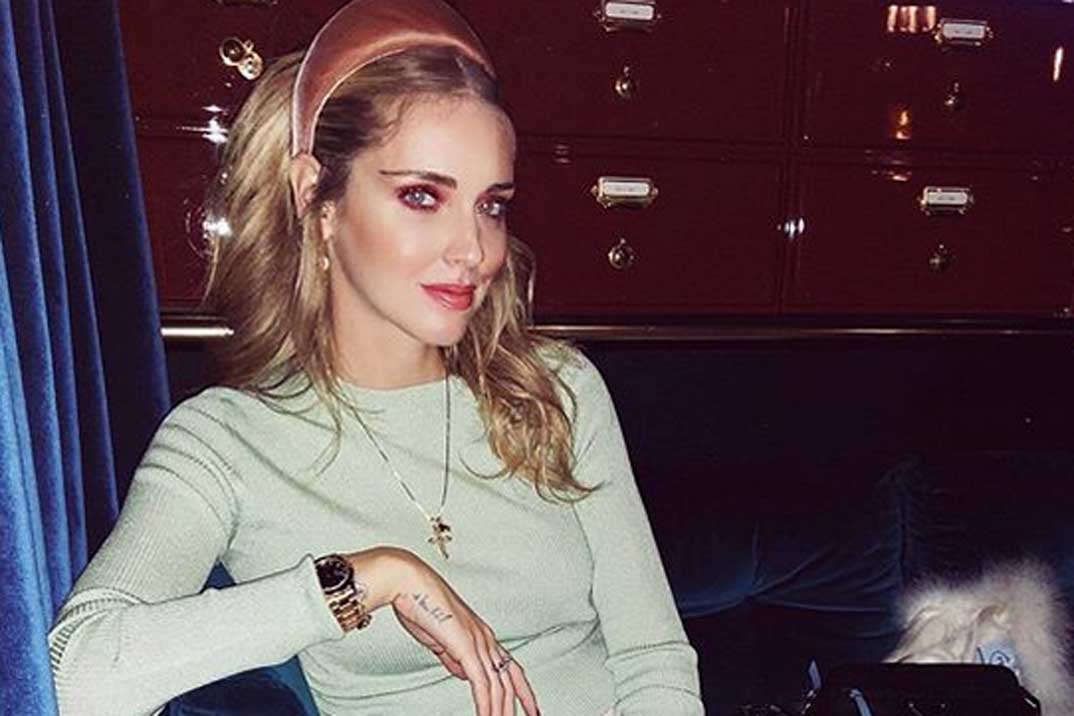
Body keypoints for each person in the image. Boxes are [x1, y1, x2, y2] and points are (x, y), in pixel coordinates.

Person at [47, 1, 704, 715]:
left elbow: (654, 659)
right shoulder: (227, 442)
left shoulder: (557, 389)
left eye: (491, 205)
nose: (474, 251)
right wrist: (366, 580)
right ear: (316, 197)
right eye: (422, 196)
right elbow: (76, 677)